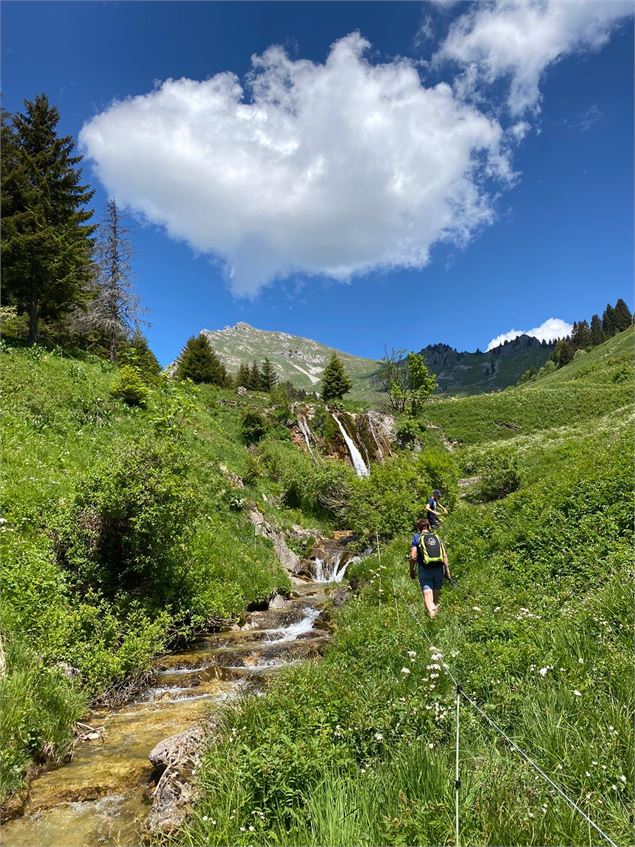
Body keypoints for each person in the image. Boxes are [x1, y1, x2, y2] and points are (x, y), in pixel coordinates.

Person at [410, 517, 450, 618]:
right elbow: (444, 555)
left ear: (418, 528)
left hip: (425, 570)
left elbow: (413, 557)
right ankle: (434, 618)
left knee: (428, 595)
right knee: (435, 599)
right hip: (439, 569)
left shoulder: (417, 537)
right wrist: (447, 571)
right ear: (428, 526)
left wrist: (411, 571)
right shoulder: (437, 537)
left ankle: (432, 619)